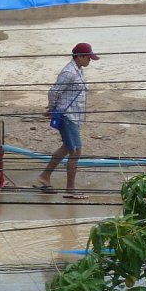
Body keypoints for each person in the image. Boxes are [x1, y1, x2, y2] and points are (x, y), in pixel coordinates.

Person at [34, 42, 99, 199]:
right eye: (88, 58)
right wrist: (52, 108)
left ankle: (44, 176)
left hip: (74, 116)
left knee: (66, 148)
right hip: (67, 115)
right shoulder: (69, 72)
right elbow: (54, 91)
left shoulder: (79, 71)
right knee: (75, 151)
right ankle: (70, 189)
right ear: (80, 57)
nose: (90, 61)